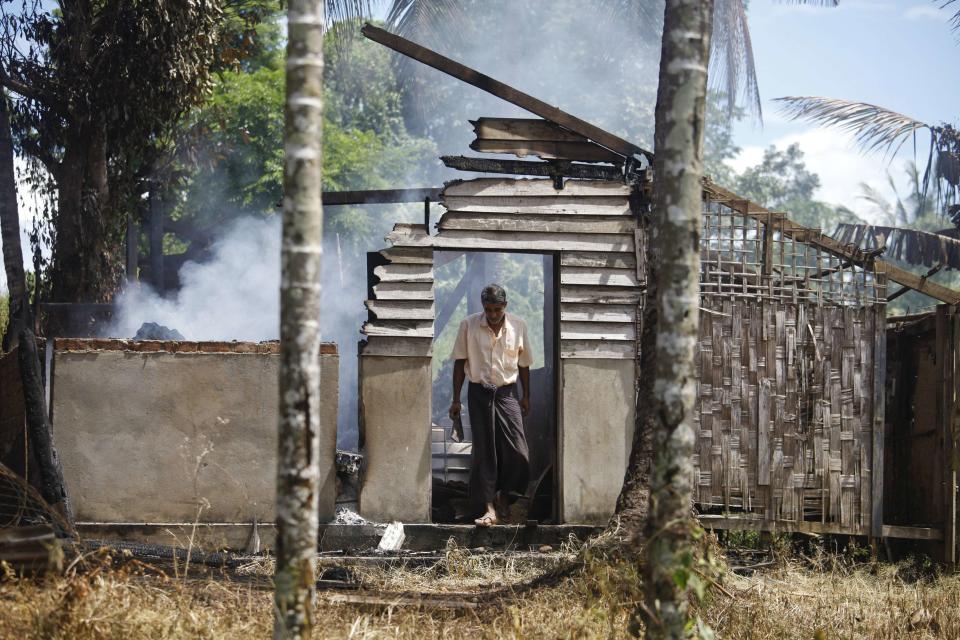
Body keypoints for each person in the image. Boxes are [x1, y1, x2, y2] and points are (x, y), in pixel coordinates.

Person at [449, 283, 532, 527]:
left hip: (507, 394)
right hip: (479, 393)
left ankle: (505, 496)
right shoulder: (469, 325)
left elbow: (524, 364)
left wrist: (526, 395)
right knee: (485, 452)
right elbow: (459, 363)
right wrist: (456, 399)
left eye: (497, 309)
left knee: (519, 451)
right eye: (488, 309)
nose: (493, 314)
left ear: (505, 306)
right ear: (483, 307)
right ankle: (488, 508)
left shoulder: (518, 326)